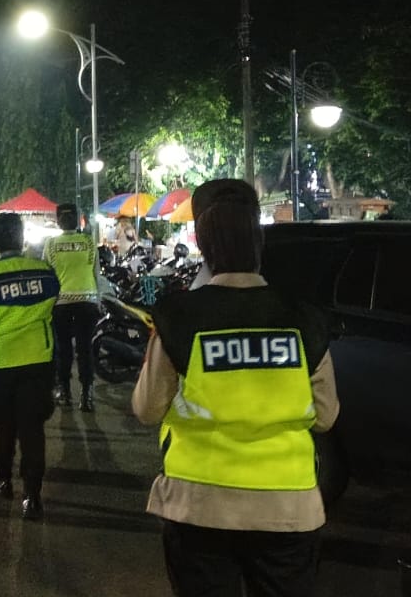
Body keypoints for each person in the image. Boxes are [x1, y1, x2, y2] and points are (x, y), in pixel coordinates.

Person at [131, 179, 339, 597]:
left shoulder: (179, 317)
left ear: (204, 244)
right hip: (287, 508)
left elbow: (147, 409)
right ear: (258, 240)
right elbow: (326, 415)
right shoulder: (303, 318)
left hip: (199, 507)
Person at [0, 211, 60, 520]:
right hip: (39, 358)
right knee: (33, 428)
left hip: (0, 361)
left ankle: (3, 479)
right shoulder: (45, 272)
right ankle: (32, 496)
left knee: (5, 423)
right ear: (21, 239)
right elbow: (53, 304)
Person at [42, 202, 101, 412]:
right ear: (77, 220)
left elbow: (47, 276)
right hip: (88, 301)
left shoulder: (51, 244)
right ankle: (87, 395)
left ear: (58, 221)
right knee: (85, 349)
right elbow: (96, 274)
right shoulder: (89, 242)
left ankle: (65, 392)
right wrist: (98, 301)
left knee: (64, 349)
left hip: (61, 304)